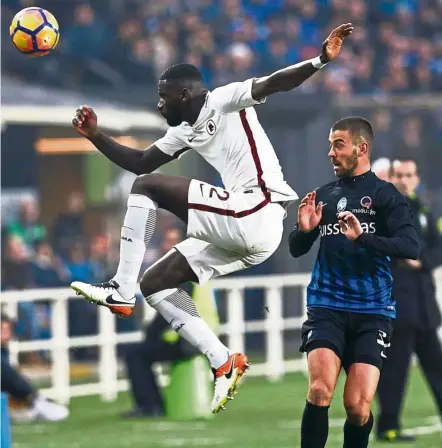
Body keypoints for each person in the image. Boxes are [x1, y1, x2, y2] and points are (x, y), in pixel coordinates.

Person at [70, 23, 354, 414]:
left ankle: (120, 289)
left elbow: (273, 83)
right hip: (249, 230)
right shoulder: (184, 130)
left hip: (257, 208)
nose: (159, 106)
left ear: (185, 94)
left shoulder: (223, 99)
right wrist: (95, 136)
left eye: (163, 98)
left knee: (149, 188)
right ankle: (223, 360)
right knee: (155, 284)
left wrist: (320, 60)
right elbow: (139, 161)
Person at [289, 117, 419, 448]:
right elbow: (297, 248)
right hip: (326, 305)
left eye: (338, 144)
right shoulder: (324, 195)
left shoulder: (385, 196)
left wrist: (363, 237)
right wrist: (305, 230)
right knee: (319, 391)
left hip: (373, 312)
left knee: (358, 407)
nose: (331, 152)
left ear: (361, 148)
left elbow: (409, 246)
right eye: (330, 144)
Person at [122, 227, 220, 418]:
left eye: (172, 241)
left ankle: (150, 406)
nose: (168, 246)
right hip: (205, 340)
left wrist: (150, 334)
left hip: (187, 343)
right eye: (167, 240)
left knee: (135, 354)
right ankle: (153, 404)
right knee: (143, 351)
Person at [376, 158, 442, 441]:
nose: (404, 179)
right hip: (396, 304)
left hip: (424, 304)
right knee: (394, 370)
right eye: (399, 175)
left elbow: (437, 248)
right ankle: (388, 426)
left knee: (436, 365)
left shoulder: (423, 209)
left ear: (417, 178)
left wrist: (421, 260)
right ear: (391, 178)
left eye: (409, 175)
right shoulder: (383, 210)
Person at [1, 314, 69, 422]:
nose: (6, 333)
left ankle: (31, 403)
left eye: (7, 329)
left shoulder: (4, 351)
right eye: (2, 329)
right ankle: (35, 402)